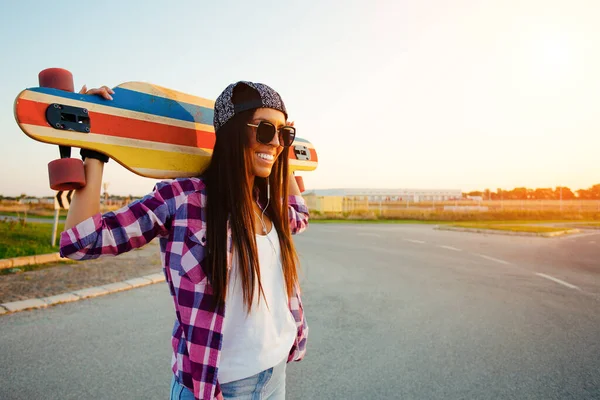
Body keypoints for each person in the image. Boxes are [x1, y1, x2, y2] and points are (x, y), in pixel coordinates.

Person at [60, 81, 310, 400]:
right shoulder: (184, 199)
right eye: (264, 130)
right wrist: (94, 147)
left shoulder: (268, 205)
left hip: (274, 374)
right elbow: (83, 241)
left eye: (283, 134)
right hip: (217, 387)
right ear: (232, 132)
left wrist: (284, 150)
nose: (275, 142)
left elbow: (299, 215)